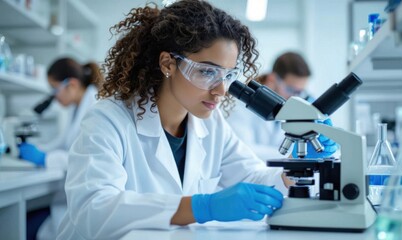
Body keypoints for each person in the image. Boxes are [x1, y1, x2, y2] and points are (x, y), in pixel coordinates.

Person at [57, 1, 336, 239]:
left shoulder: (211, 125)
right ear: (168, 64)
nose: (221, 90)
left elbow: (252, 175)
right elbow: (93, 210)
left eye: (227, 75)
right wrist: (201, 207)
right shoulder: (109, 119)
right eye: (207, 72)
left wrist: (297, 174)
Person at [18, 57, 102, 240]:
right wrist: (37, 150)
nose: (54, 96)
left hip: (83, 207)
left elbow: (86, 157)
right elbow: (63, 143)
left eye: (55, 89)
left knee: (21, 224)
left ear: (71, 84)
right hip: (68, 200)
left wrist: (44, 158)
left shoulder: (95, 107)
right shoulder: (77, 108)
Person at [225, 52, 338, 160]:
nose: (295, 96)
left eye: (300, 92)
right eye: (290, 89)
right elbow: (244, 149)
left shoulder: (289, 106)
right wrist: (293, 155)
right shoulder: (238, 106)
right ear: (272, 79)